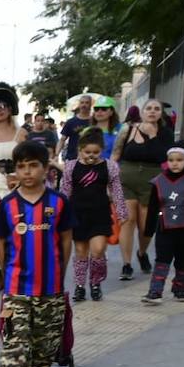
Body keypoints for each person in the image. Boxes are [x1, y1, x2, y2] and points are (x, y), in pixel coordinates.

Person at [0, 142, 73, 367]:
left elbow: (65, 242)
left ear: (45, 168)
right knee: (16, 340)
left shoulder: (59, 202)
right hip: (16, 288)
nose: (27, 172)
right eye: (21, 166)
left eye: (33, 165)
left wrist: (59, 274)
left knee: (46, 340)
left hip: (50, 286)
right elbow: (1, 244)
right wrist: (7, 277)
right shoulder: (7, 205)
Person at [60, 127, 125, 301]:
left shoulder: (109, 167)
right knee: (80, 251)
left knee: (98, 250)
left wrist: (121, 212)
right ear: (80, 150)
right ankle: (80, 286)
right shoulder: (70, 167)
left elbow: (116, 190)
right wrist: (60, 214)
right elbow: (64, 192)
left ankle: (96, 282)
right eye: (87, 151)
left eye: (96, 152)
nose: (91, 155)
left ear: (101, 151)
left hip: (100, 214)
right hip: (78, 214)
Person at [110, 98, 170, 279]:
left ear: (161, 113)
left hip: (152, 181)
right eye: (149, 108)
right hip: (126, 178)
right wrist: (109, 176)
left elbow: (163, 155)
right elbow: (116, 153)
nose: (152, 111)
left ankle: (142, 253)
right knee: (127, 221)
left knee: (146, 226)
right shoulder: (127, 129)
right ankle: (126, 264)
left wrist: (152, 135)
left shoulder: (165, 133)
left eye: (156, 109)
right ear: (142, 112)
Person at [142, 144, 184, 304]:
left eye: (179, 160)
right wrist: (149, 229)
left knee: (183, 259)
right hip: (164, 227)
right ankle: (155, 292)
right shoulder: (158, 181)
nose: (175, 163)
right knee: (162, 259)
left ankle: (180, 289)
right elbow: (152, 207)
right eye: (171, 160)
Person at [59, 94, 94, 161]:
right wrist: (57, 154)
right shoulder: (71, 122)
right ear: (79, 104)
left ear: (90, 105)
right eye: (82, 102)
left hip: (90, 158)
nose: (84, 105)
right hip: (72, 158)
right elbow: (62, 139)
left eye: (87, 103)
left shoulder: (94, 122)